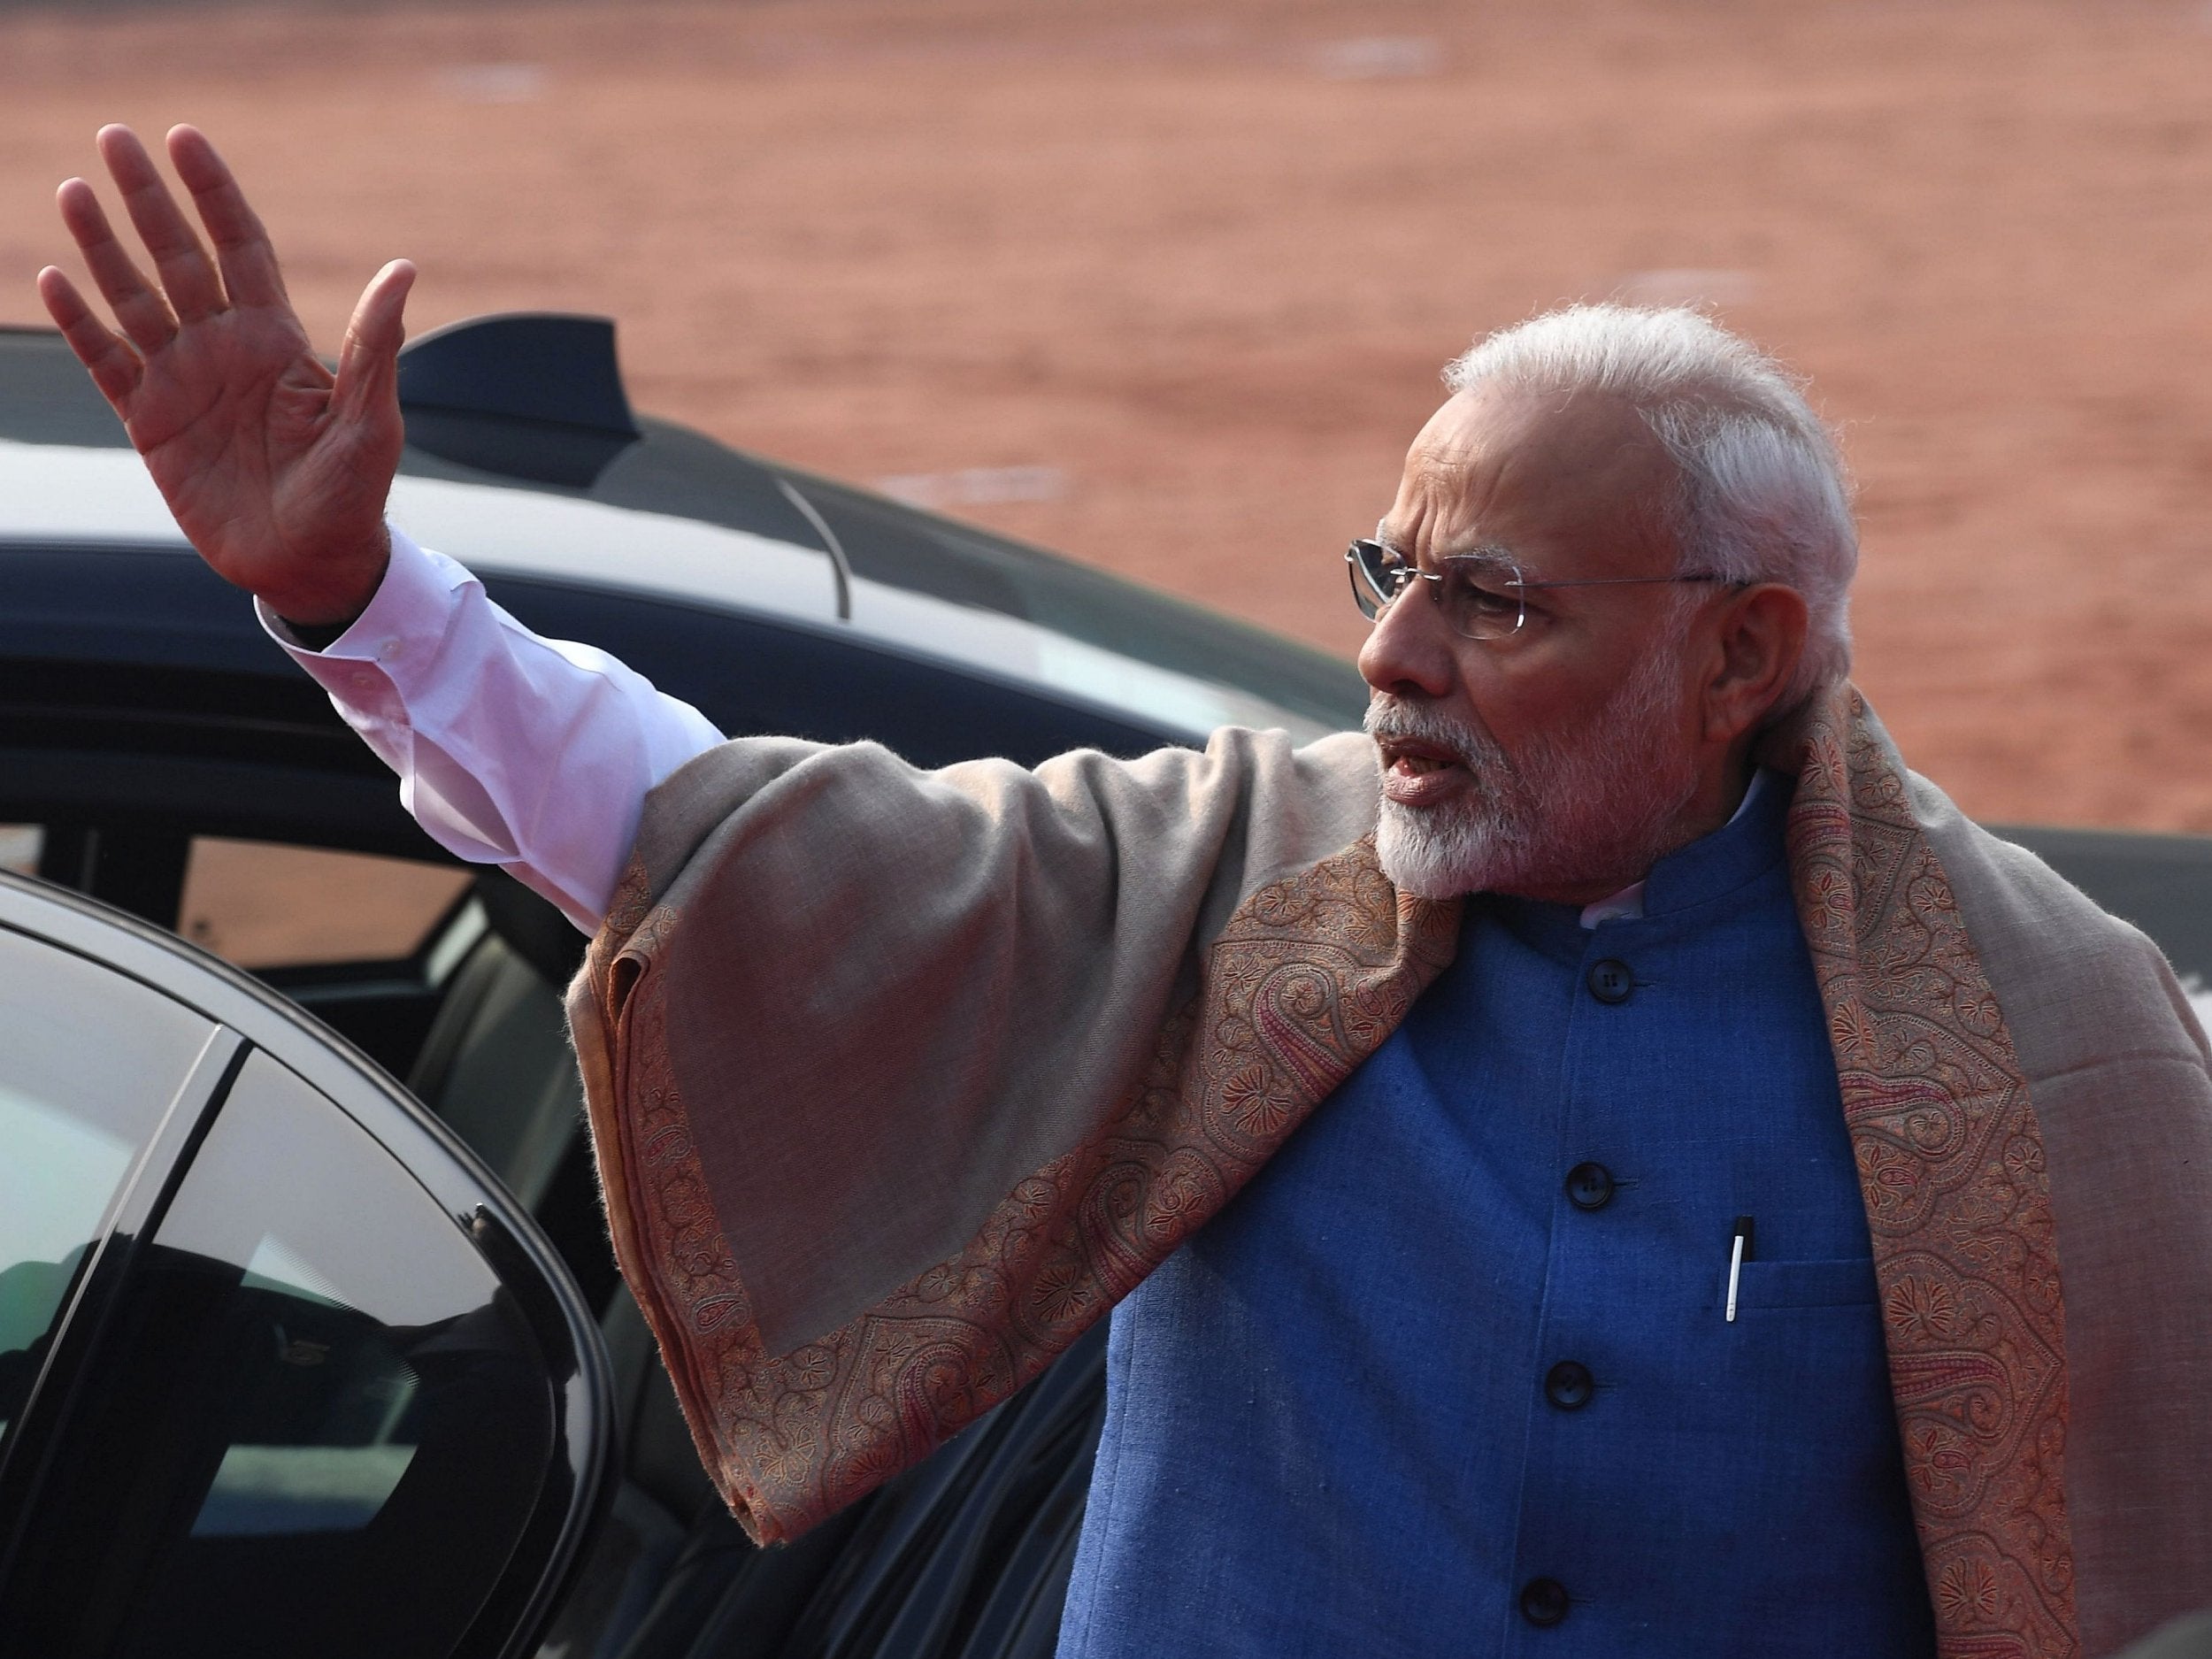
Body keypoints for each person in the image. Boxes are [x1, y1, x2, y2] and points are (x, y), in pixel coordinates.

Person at [40, 124, 2212, 1659]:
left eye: (1494, 603)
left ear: (1737, 655)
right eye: (1387, 573)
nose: (1389, 656)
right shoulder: (1219, 889)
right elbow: (698, 830)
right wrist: (356, 595)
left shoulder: (2052, 1040)